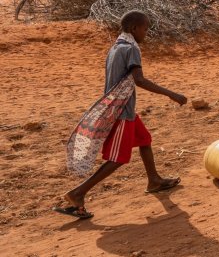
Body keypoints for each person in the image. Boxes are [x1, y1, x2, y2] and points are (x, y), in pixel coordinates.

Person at [54, 11, 188, 220]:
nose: (146, 32)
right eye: (145, 28)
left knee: (144, 140)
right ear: (134, 29)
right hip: (121, 112)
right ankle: (77, 193)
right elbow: (139, 80)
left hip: (123, 109)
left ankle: (154, 180)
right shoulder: (131, 48)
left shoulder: (116, 46)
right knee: (118, 158)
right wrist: (172, 94)